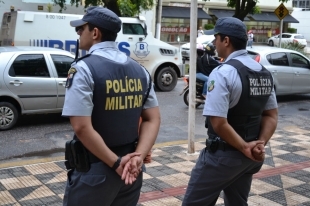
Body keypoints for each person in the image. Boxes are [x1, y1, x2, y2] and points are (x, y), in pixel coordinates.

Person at [62, 6, 160, 206]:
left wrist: (117, 163)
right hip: (131, 172)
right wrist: (138, 158)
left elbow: (81, 126)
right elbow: (153, 118)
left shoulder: (83, 68)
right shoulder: (140, 70)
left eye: (82, 29)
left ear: (95, 33)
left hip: (94, 172)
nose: (79, 33)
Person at [182, 17, 278, 206]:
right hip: (250, 158)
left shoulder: (223, 72)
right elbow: (271, 115)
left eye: (216, 38)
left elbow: (218, 122)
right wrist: (259, 144)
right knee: (237, 202)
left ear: (226, 41)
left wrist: (244, 147)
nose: (214, 43)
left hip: (223, 157)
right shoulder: (263, 71)